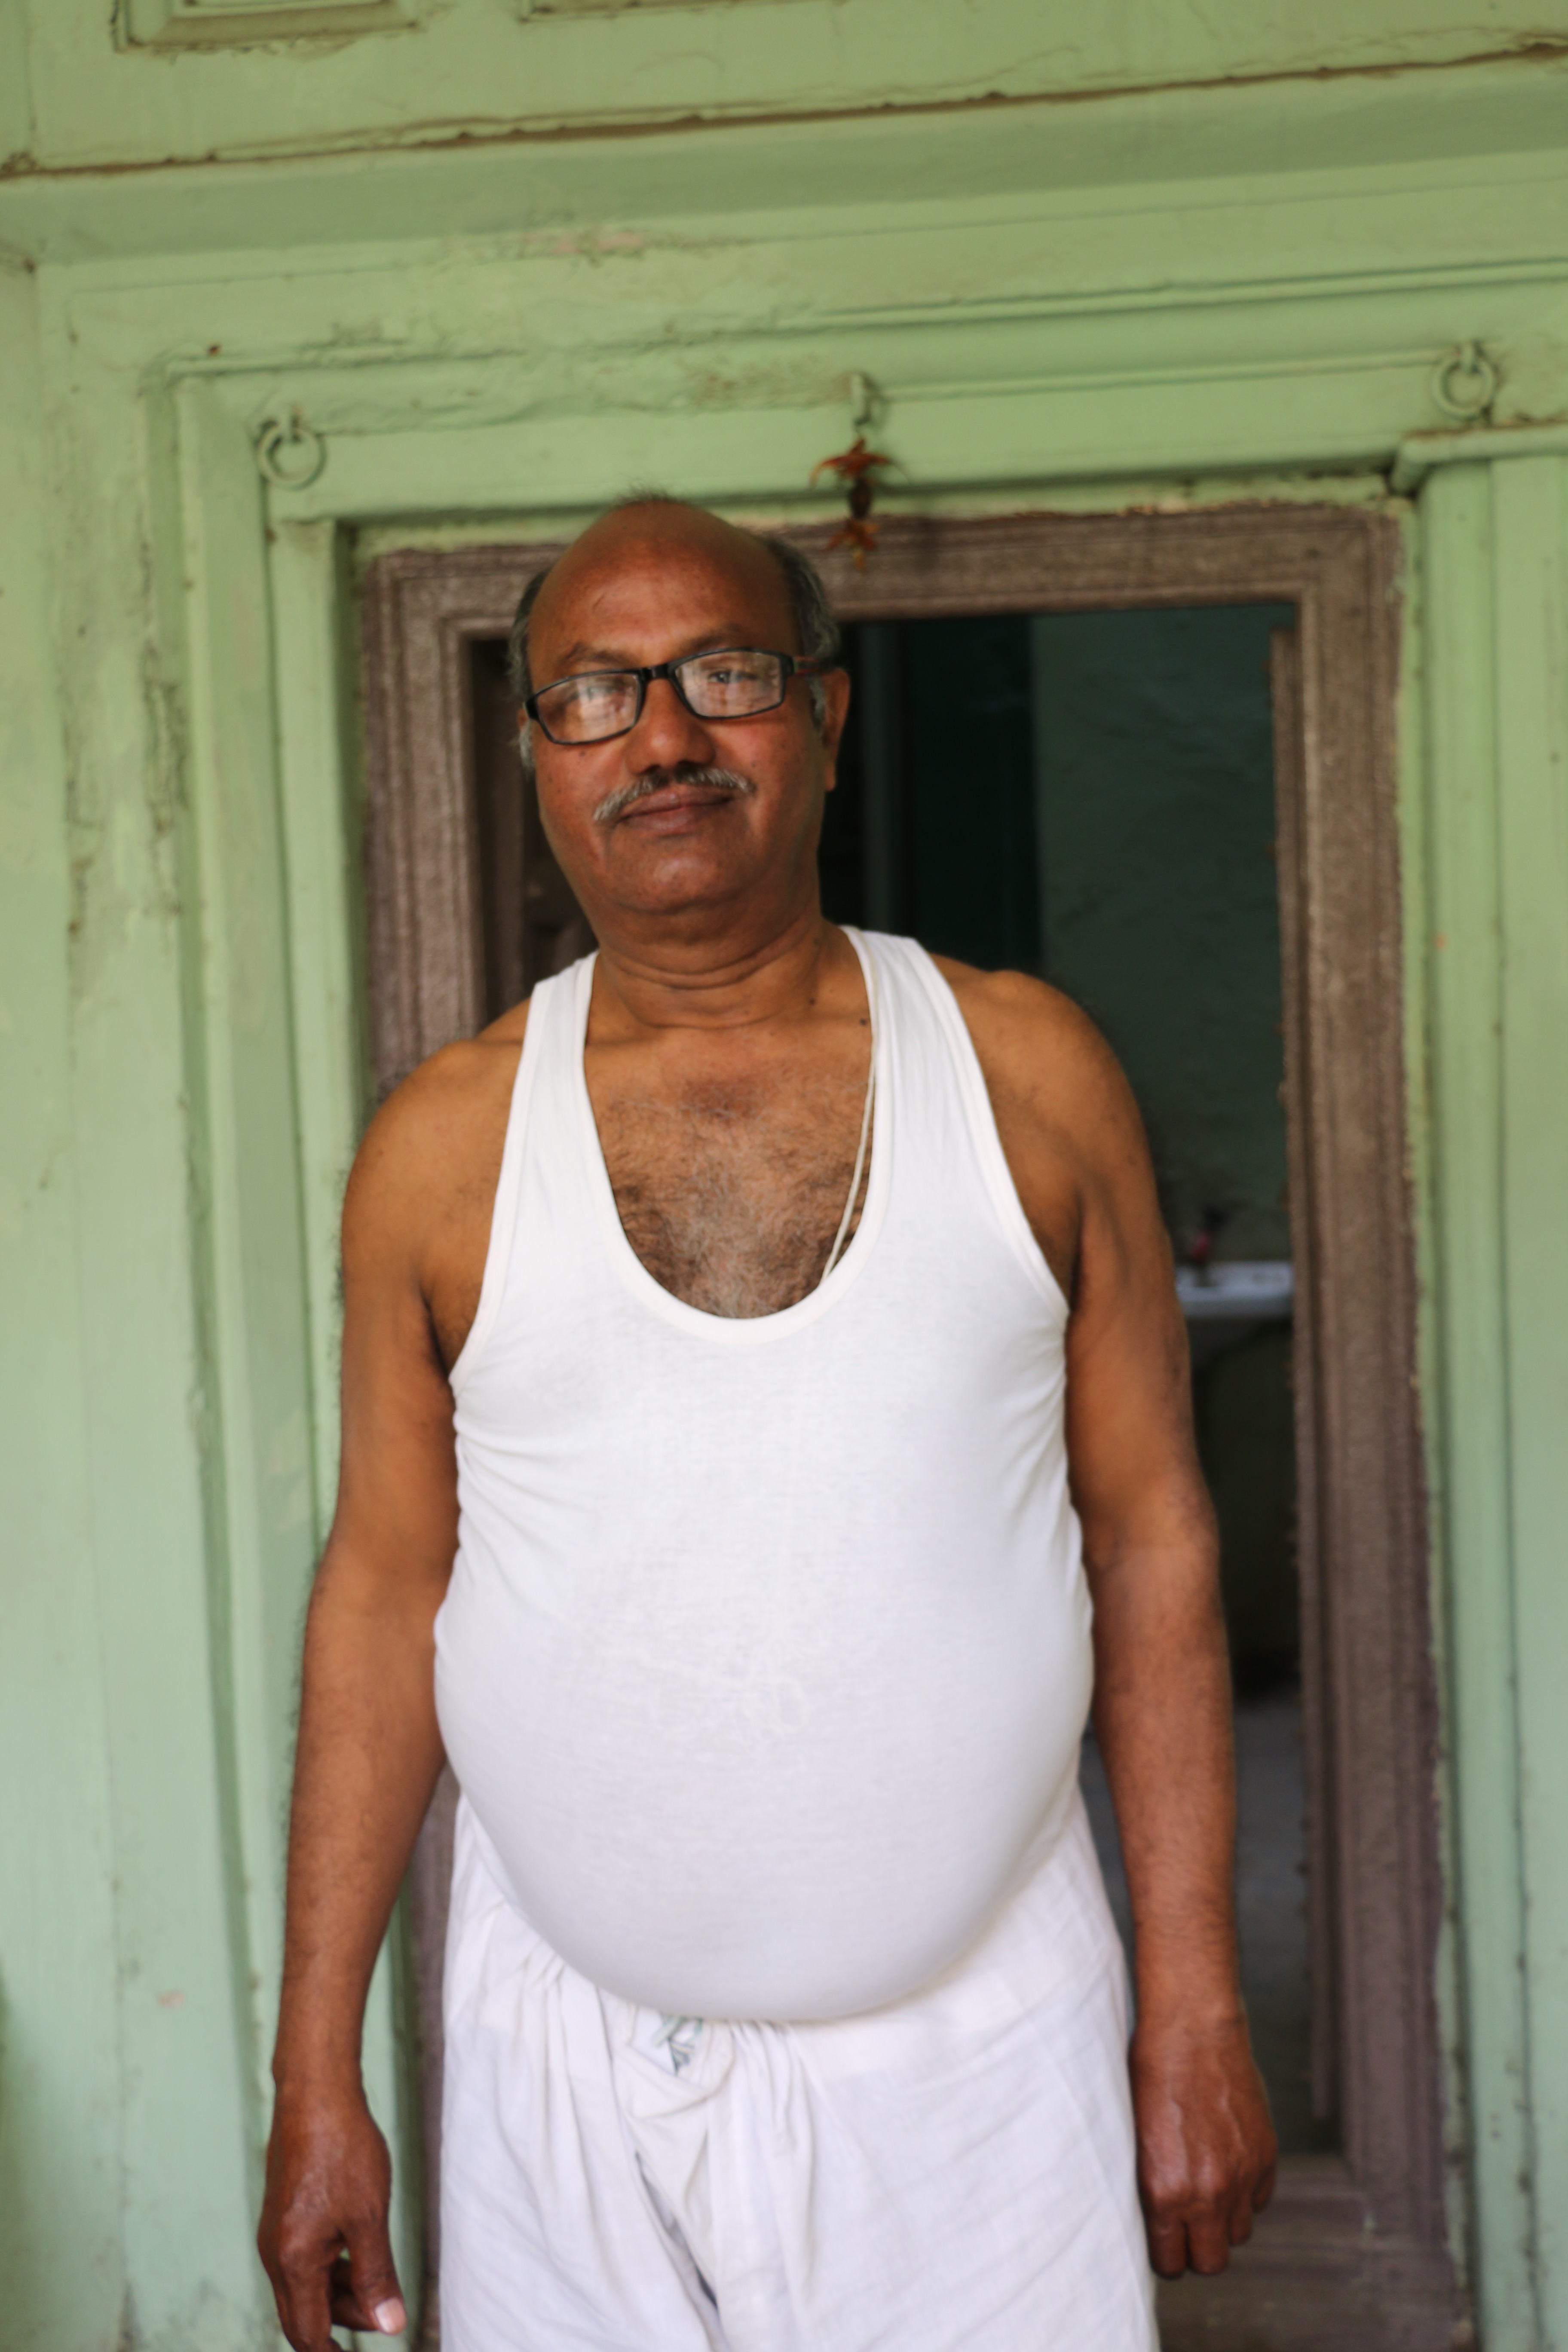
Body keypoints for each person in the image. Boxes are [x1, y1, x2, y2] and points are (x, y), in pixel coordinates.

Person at [258, 496, 1277, 2352]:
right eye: (594, 693)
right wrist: (316, 2076)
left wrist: (1196, 2004)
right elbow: (384, 1593)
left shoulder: (1027, 1075)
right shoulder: (443, 1147)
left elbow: (1152, 1537)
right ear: (541, 755)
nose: (662, 736)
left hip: (985, 2063)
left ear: (824, 714)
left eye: (723, 674)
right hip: (558, 2070)